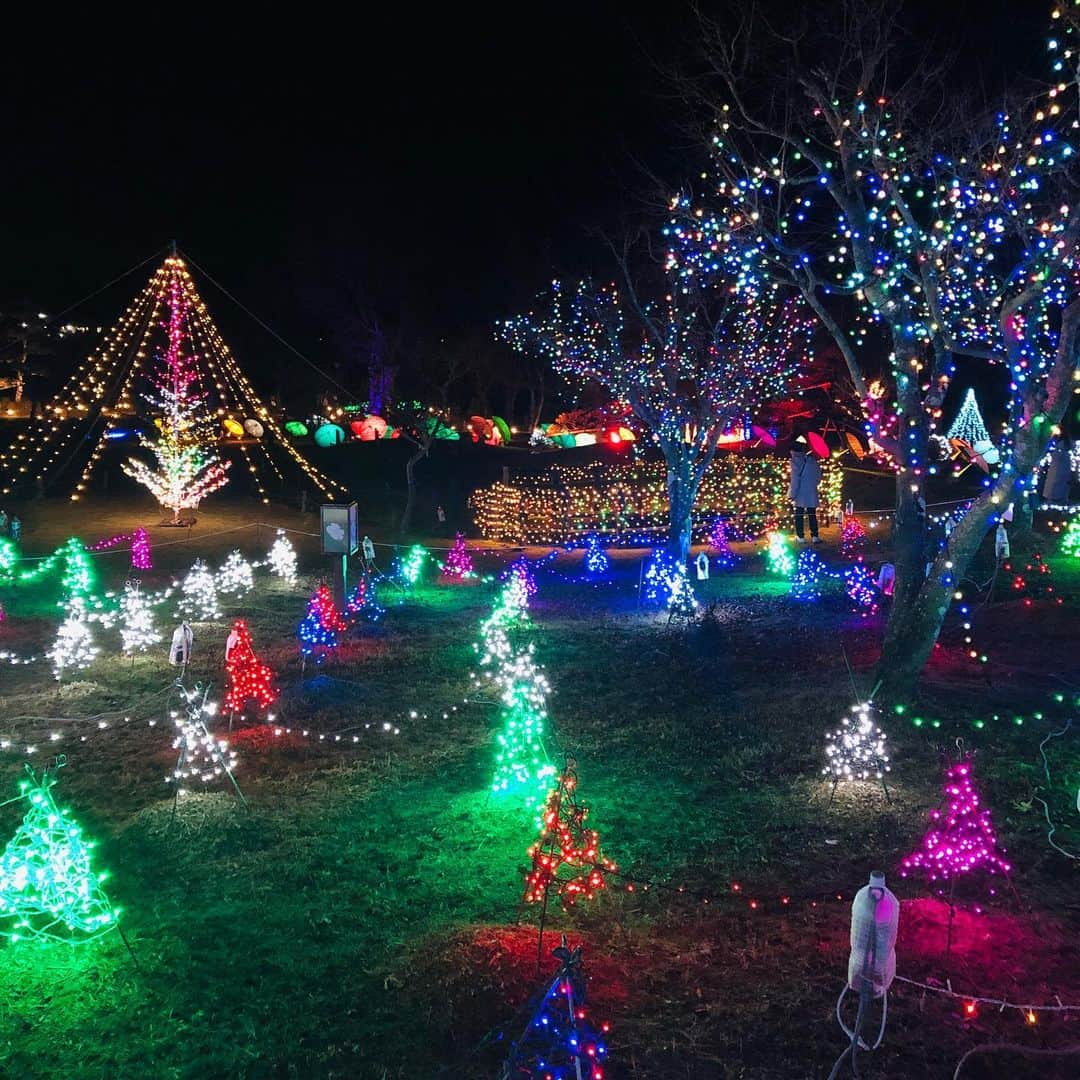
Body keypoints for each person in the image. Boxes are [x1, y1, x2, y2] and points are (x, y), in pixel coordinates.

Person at [789, 436, 821, 544]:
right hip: (811, 491)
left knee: (799, 514)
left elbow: (794, 479)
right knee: (812, 513)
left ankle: (800, 536)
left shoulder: (794, 461)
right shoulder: (812, 460)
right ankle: (815, 536)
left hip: (800, 493)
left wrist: (792, 493)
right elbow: (818, 478)